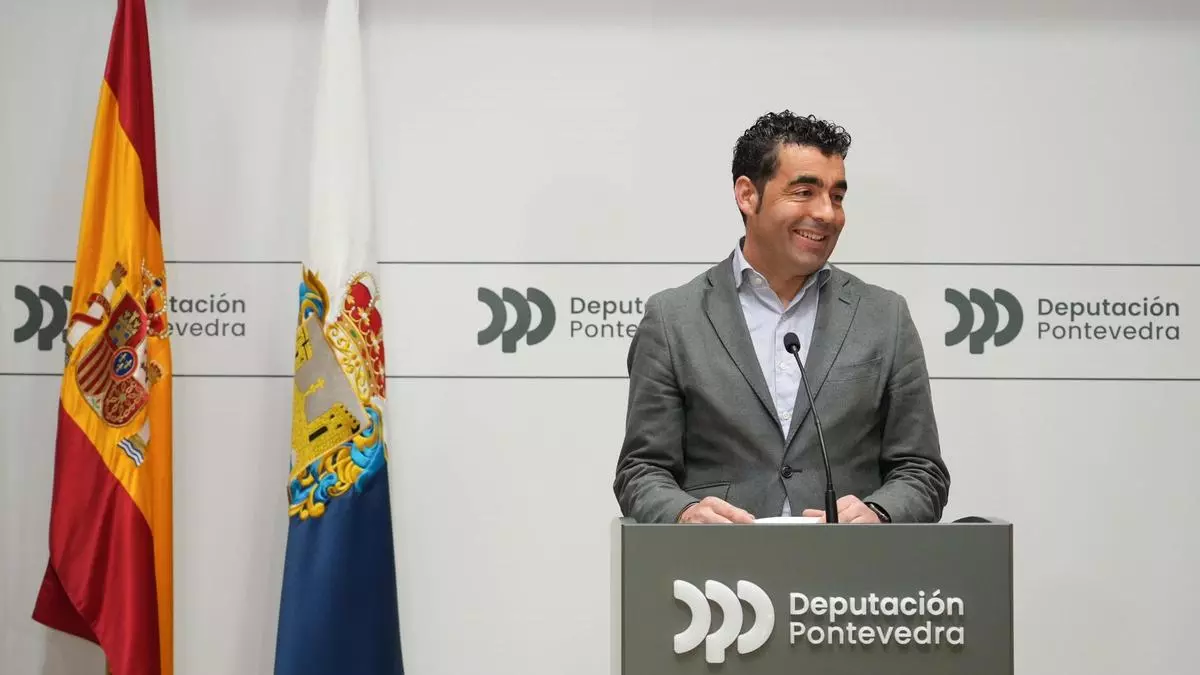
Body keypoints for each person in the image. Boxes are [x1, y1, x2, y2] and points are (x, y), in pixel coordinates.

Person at [613, 111, 949, 525]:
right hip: (719, 563)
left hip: (849, 563)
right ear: (747, 195)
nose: (827, 213)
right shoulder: (672, 319)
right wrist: (684, 514)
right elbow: (641, 471)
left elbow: (921, 472)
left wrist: (880, 513)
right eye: (805, 192)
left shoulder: (885, 316)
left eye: (837, 197)